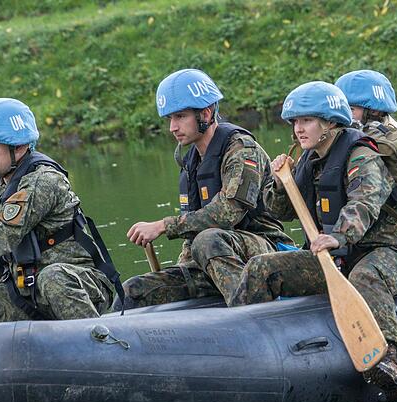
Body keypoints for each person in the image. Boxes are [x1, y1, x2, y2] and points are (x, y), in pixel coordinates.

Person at [230, 81, 397, 392]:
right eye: (294, 122)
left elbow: (365, 201)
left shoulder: (361, 154)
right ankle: (242, 347)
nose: (298, 130)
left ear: (330, 122)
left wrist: (339, 236)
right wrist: (282, 182)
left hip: (390, 251)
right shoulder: (309, 159)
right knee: (261, 268)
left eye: (306, 121)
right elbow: (282, 211)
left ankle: (389, 355)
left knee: (366, 276)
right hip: (336, 257)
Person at [0, 98, 120, 323]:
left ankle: (97, 342)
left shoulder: (44, 181)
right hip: (25, 294)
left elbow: (0, 236)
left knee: (52, 278)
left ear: (18, 146)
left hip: (79, 285)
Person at [121, 69, 292, 307]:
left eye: (180, 116)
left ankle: (249, 308)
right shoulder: (191, 162)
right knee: (133, 290)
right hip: (212, 256)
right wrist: (183, 271)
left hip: (262, 249)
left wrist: (162, 226)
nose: (172, 127)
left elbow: (227, 213)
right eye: (170, 118)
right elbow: (193, 232)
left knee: (208, 240)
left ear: (206, 113)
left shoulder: (242, 150)